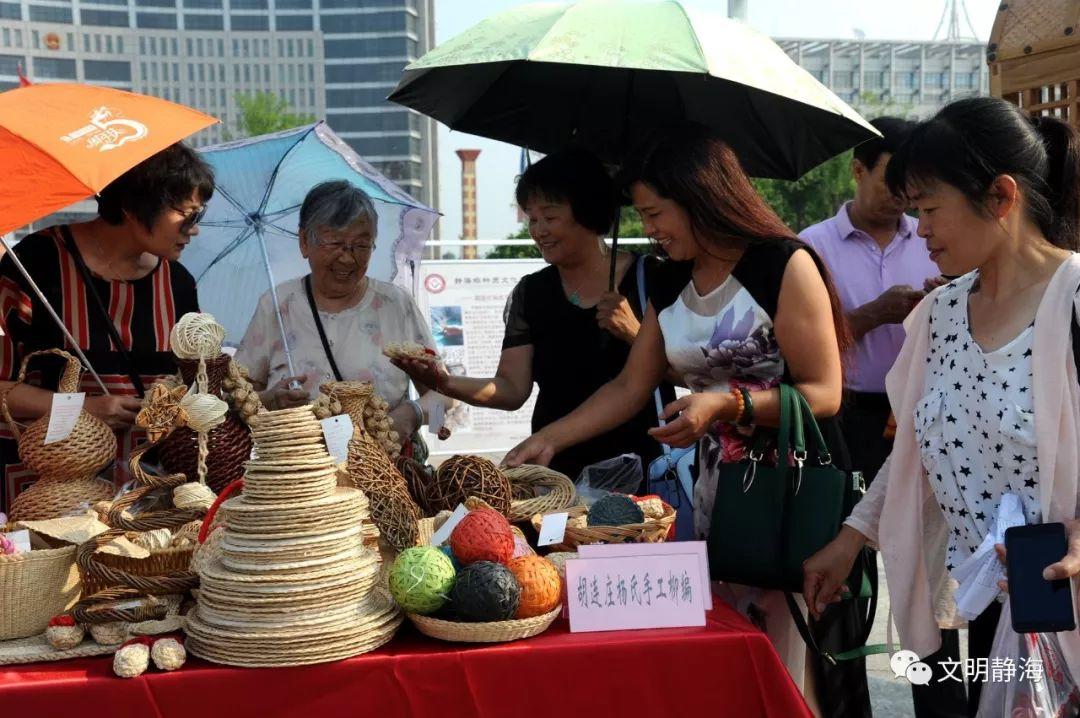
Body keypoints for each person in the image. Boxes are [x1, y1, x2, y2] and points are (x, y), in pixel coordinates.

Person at [504, 126, 870, 717]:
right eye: (644, 216)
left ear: (700, 198)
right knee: (718, 648)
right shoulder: (668, 276)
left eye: (656, 213)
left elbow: (824, 392)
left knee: (785, 654)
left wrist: (725, 404)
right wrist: (548, 438)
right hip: (711, 491)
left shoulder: (783, 263)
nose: (651, 228)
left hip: (787, 491)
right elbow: (630, 384)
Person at [803, 97, 1080, 717]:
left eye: (929, 209)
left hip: (1069, 600)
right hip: (1000, 608)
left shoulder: (1073, 300)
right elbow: (917, 456)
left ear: (1001, 198)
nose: (918, 228)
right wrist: (852, 539)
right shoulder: (941, 316)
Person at [800, 118, 963, 717]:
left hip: (924, 416)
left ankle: (939, 702)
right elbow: (794, 345)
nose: (902, 198)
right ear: (859, 170)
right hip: (846, 418)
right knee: (842, 575)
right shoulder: (811, 247)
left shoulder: (935, 235)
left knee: (928, 578)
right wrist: (873, 314)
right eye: (892, 180)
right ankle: (847, 706)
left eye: (914, 188)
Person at [395, 149, 674, 483]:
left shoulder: (651, 279)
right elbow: (511, 389)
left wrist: (634, 334)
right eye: (531, 217)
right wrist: (444, 382)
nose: (538, 230)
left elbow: (689, 374)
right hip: (557, 467)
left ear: (588, 212)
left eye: (550, 217)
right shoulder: (532, 292)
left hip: (643, 464)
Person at [0, 143, 212, 512]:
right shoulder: (36, 265)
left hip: (144, 497)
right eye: (186, 215)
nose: (193, 230)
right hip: (43, 495)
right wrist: (81, 407)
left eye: (199, 215)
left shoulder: (178, 283)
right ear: (134, 206)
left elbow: (192, 385)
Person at [235, 180, 449, 459]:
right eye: (334, 243)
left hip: (386, 475)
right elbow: (237, 399)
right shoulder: (276, 306)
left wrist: (415, 415)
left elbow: (444, 396)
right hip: (300, 479)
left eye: (361, 245)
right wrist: (271, 400)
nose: (347, 259)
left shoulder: (396, 304)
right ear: (304, 242)